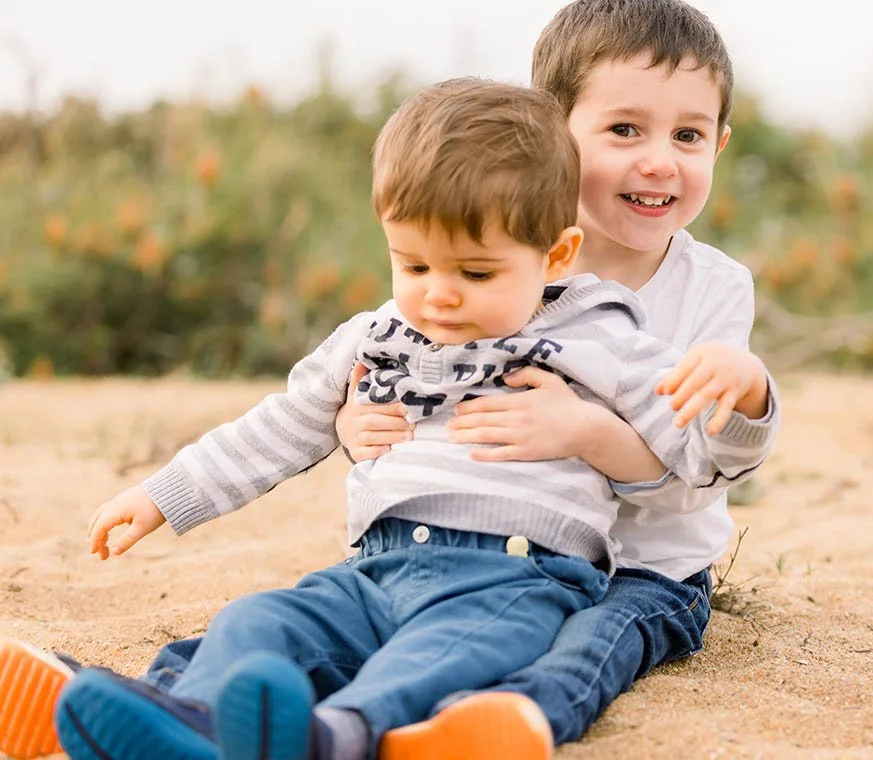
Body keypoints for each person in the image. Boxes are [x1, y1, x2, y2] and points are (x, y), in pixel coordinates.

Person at [0, 1, 780, 757]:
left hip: (609, 564)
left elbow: (705, 458)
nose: (657, 158)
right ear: (555, 133)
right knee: (270, 624)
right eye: (623, 129)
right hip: (401, 549)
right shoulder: (412, 310)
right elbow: (292, 416)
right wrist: (315, 432)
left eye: (687, 134)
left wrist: (637, 419)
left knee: (543, 651)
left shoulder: (614, 324)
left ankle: (385, 731)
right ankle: (157, 710)